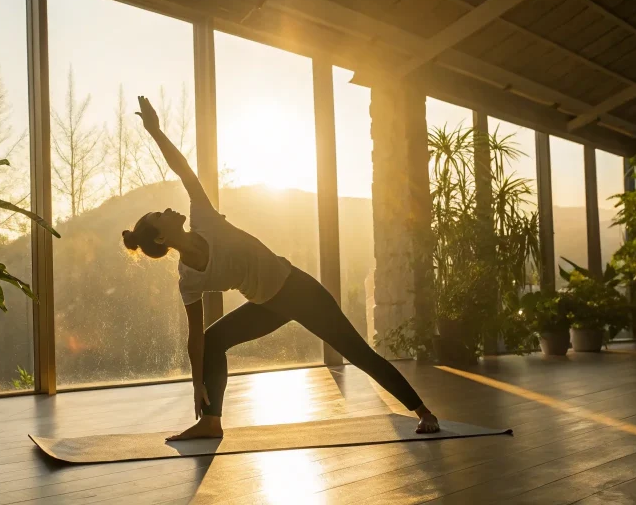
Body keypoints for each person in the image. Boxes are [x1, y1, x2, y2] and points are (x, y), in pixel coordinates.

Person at [122, 96, 440, 441]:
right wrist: (197, 384)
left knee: (357, 352)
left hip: (297, 289)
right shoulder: (188, 279)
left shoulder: (204, 218)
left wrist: (155, 131)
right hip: (266, 305)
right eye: (159, 215)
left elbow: (182, 168)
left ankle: (423, 411)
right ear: (161, 236)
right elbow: (194, 338)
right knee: (213, 340)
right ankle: (211, 422)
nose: (167, 209)